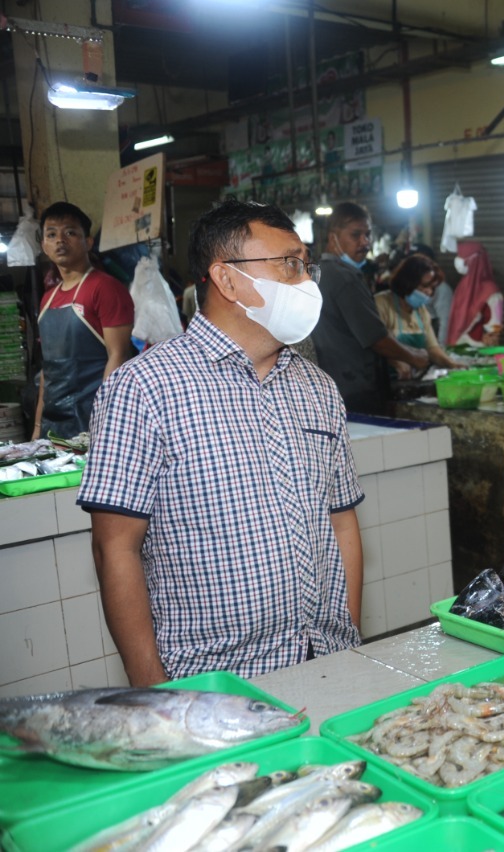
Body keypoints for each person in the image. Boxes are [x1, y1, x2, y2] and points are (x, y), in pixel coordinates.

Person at [78, 199, 365, 685]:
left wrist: (347, 643)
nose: (307, 282)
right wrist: (153, 687)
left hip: (326, 664)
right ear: (229, 279)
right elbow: (115, 549)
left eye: (306, 265)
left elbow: (342, 525)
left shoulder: (317, 388)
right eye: (290, 265)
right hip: (214, 683)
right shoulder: (144, 389)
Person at [311, 202, 430, 414]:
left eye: (367, 234)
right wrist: (414, 357)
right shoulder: (345, 279)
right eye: (355, 235)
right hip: (355, 389)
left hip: (333, 386)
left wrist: (395, 359)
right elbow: (376, 338)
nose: (365, 242)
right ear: (333, 238)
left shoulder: (321, 273)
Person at [30, 202, 135, 439]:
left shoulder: (105, 288)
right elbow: (48, 369)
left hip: (93, 420)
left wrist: (105, 423)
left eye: (70, 232)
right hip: (54, 423)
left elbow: (118, 357)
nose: (60, 240)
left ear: (87, 242)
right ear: (43, 245)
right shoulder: (48, 298)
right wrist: (37, 428)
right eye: (52, 234)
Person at [374, 254, 460, 376]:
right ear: (407, 282)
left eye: (432, 288)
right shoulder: (382, 303)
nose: (429, 292)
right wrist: (395, 362)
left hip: (413, 378)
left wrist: (453, 365)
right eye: (424, 286)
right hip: (385, 378)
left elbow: (432, 348)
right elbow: (375, 343)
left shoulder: (421, 311)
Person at [445, 240, 503, 348]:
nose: (458, 261)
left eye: (462, 257)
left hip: (476, 350)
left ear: (475, 260)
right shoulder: (464, 284)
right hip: (456, 347)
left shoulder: (491, 291)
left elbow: (495, 328)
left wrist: (492, 336)